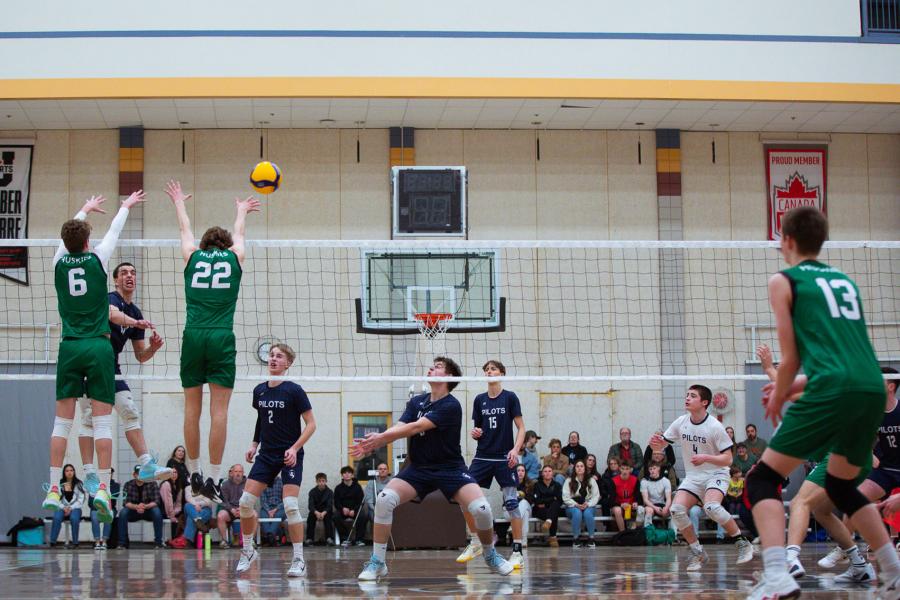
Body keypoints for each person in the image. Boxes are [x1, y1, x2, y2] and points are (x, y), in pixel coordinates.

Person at [744, 206, 900, 599]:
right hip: (870, 385)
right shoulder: (845, 281)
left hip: (833, 388)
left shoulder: (783, 280)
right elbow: (844, 357)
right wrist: (790, 387)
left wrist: (781, 390)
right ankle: (893, 570)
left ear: (788, 241)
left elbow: (792, 355)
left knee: (762, 479)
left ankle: (778, 573)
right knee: (842, 487)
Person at [350, 357, 514, 581]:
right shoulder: (417, 402)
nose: (431, 368)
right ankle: (378, 562)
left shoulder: (451, 405)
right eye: (432, 365)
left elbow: (416, 427)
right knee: (384, 499)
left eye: (438, 367)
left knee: (482, 508)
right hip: (418, 468)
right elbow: (401, 426)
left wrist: (380, 439)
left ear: (448, 377)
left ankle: (490, 555)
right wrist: (380, 439)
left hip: (450, 468)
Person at [43, 191, 147, 525]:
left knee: (63, 423)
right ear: (88, 241)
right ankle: (103, 486)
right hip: (99, 346)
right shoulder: (98, 260)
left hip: (69, 345)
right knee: (102, 420)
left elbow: (71, 236)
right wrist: (125, 206)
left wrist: (84, 210)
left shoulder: (58, 261)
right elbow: (114, 231)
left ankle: (53, 490)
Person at [165, 180, 260, 501]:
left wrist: (179, 201)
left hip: (193, 336)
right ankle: (216, 480)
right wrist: (242, 211)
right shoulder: (235, 257)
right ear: (227, 244)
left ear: (204, 244)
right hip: (221, 337)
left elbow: (184, 230)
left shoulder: (192, 256)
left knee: (192, 410)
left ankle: (194, 473)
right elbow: (241, 236)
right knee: (219, 413)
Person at [77, 260, 171, 498]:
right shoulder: (110, 299)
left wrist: (154, 348)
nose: (129, 276)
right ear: (116, 280)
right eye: (124, 273)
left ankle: (147, 464)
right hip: (90, 363)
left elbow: (141, 356)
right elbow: (114, 316)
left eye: (133, 272)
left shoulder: (136, 311)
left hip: (112, 366)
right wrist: (135, 323)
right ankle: (89, 474)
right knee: (90, 420)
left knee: (130, 410)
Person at [649, 384, 753, 571]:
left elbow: (728, 458)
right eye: (687, 395)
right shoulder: (681, 422)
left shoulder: (714, 426)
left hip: (717, 473)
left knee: (712, 507)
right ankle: (698, 552)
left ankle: (742, 543)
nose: (687, 398)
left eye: (693, 396)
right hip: (694, 476)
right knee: (677, 510)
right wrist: (655, 444)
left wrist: (707, 457)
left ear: (704, 402)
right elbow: (660, 446)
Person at [235, 342, 315, 576]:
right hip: (267, 455)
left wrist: (294, 448)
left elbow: (311, 424)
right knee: (245, 503)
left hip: (290, 454)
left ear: (288, 364)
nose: (273, 359)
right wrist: (253, 444)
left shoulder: (294, 390)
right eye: (271, 355)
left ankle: (299, 559)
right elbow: (262, 420)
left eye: (279, 356)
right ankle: (248, 550)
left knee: (290, 505)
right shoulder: (259, 390)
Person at [456, 360, 527, 568]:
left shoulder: (510, 397)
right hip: (483, 456)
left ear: (502, 373)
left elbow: (521, 428)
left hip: (505, 456)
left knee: (512, 503)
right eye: (486, 369)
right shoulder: (479, 400)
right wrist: (476, 433)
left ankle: (517, 551)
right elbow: (478, 429)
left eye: (493, 369)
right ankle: (476, 540)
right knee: (462, 497)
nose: (489, 372)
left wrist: (515, 450)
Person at [118, 465, 164, 549]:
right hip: (133, 511)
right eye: (138, 474)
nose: (140, 475)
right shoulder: (128, 484)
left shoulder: (152, 483)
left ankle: (158, 543)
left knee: (157, 512)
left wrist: (145, 506)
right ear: (134, 475)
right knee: (123, 513)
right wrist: (136, 507)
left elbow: (157, 501)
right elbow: (126, 503)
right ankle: (122, 543)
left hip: (148, 510)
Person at [563, 458, 599, 547]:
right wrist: (576, 504)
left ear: (585, 468)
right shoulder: (568, 481)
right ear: (574, 469)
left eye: (581, 466)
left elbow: (596, 496)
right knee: (577, 512)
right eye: (577, 466)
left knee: (587, 513)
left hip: (588, 504)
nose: (579, 468)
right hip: (573, 505)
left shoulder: (591, 480)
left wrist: (588, 504)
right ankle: (576, 539)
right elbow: (565, 497)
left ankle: (591, 538)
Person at [49, 464, 85, 548]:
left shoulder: (79, 483)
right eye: (67, 471)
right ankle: (52, 541)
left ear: (74, 472)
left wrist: (71, 508)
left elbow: (80, 500)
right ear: (64, 472)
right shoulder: (60, 483)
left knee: (74, 518)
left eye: (71, 470)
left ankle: (75, 542)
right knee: (57, 518)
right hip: (62, 507)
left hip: (75, 508)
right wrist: (63, 507)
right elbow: (56, 498)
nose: (69, 472)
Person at [333, 466, 367, 547]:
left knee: (363, 515)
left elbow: (361, 501)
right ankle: (345, 539)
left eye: (349, 473)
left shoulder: (357, 487)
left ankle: (359, 539)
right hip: (343, 511)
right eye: (345, 473)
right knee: (335, 516)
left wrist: (354, 510)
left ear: (352, 475)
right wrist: (342, 509)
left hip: (354, 510)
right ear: (342, 475)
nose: (347, 474)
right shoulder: (338, 488)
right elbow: (336, 502)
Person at [531, 465, 562, 547]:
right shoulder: (537, 485)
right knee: (553, 513)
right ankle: (553, 537)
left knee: (555, 505)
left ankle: (548, 521)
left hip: (552, 508)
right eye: (545, 471)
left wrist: (544, 501)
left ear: (552, 474)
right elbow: (537, 501)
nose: (547, 473)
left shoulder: (557, 485)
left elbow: (560, 500)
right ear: (542, 474)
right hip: (540, 510)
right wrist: (552, 499)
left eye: (549, 471)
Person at [89, 468, 119, 550]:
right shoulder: (95, 485)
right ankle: (97, 541)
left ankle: (105, 541)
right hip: (96, 508)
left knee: (108, 516)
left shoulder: (115, 485)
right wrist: (100, 507)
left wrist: (104, 507)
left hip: (110, 508)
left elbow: (113, 499)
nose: (108, 476)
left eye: (109, 474)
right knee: (94, 516)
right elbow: (90, 502)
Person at [218, 465, 246, 548]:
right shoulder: (225, 484)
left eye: (240, 472)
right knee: (220, 515)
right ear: (232, 473)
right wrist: (231, 509)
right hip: (229, 510)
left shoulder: (248, 483)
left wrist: (242, 508)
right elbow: (223, 501)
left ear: (243, 473)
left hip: (244, 509)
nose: (238, 474)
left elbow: (251, 498)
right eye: (236, 471)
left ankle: (250, 542)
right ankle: (224, 541)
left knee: (254, 515)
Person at [640, 461, 672, 528]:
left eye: (654, 468)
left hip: (661, 504)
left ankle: (672, 534)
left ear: (659, 468)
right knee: (649, 511)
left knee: (671, 512)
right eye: (650, 469)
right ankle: (648, 533)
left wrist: (666, 508)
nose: (652, 471)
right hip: (650, 505)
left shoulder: (665, 481)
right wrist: (655, 508)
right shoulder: (644, 481)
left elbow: (668, 498)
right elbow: (645, 500)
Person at [610, 459, 639, 532]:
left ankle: (634, 532)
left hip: (630, 505)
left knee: (640, 509)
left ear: (631, 469)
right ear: (619, 469)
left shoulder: (635, 480)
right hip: (618, 505)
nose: (625, 471)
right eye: (622, 468)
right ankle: (623, 533)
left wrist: (636, 502)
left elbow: (638, 495)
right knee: (617, 510)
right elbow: (611, 499)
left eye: (627, 469)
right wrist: (621, 504)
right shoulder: (613, 480)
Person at [306, 473, 334, 545]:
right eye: (319, 481)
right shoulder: (312, 492)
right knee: (310, 517)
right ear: (316, 482)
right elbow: (310, 505)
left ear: (326, 481)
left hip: (326, 511)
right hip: (315, 511)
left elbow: (329, 505)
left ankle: (329, 538)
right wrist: (316, 512)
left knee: (329, 517)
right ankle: (309, 538)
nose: (321, 483)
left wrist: (324, 513)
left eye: (323, 481)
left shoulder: (330, 492)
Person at [259, 475, 285, 547]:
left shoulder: (283, 482)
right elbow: (263, 500)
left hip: (280, 507)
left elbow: (285, 499)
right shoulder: (263, 483)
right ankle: (271, 538)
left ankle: (268, 537)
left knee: (277, 516)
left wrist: (275, 509)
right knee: (263, 517)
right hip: (267, 507)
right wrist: (268, 510)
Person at [512, 464, 534, 546]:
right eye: (518, 470)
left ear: (525, 473)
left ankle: (515, 523)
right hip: (510, 510)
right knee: (525, 514)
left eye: (522, 470)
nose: (520, 472)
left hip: (527, 506)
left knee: (524, 502)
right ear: (515, 472)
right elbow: (507, 500)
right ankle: (524, 540)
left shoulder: (530, 484)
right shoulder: (510, 483)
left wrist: (518, 497)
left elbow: (530, 500)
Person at [159, 471, 185, 540]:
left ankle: (176, 539)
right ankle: (173, 539)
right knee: (174, 520)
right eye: (171, 472)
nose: (174, 474)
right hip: (163, 510)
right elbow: (167, 502)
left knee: (182, 516)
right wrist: (171, 515)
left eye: (175, 472)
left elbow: (178, 503)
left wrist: (175, 512)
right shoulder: (166, 484)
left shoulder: (179, 486)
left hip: (171, 511)